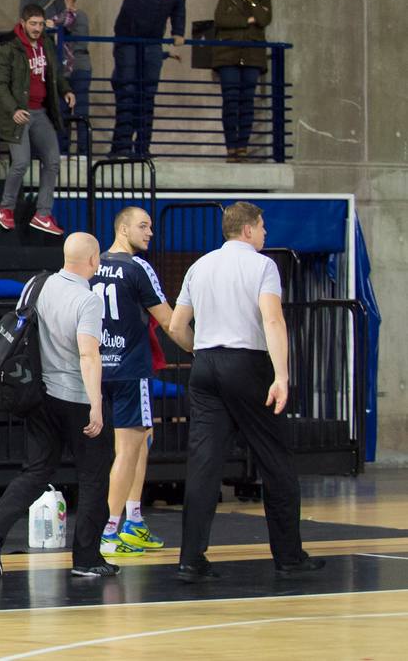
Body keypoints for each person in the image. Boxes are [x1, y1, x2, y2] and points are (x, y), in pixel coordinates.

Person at [167, 202, 321, 583]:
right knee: (275, 461)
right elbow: (272, 318)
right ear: (249, 230)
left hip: (204, 367)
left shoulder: (199, 266)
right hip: (247, 366)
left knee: (203, 465)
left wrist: (197, 350)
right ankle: (288, 557)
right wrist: (281, 375)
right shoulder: (262, 265)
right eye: (263, 227)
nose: (266, 234)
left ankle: (190, 560)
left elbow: (175, 325)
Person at [0, 233, 115, 579]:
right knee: (94, 476)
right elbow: (88, 354)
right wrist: (96, 404)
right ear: (94, 259)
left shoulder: (37, 284)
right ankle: (86, 558)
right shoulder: (88, 300)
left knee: (36, 470)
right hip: (76, 398)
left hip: (38, 394)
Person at [91, 207, 175, 560]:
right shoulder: (137, 267)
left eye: (151, 226)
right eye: (143, 226)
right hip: (129, 367)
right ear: (122, 228)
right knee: (128, 449)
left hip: (96, 367)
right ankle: (111, 529)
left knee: (141, 441)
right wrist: (201, 347)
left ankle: (133, 520)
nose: (150, 232)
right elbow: (168, 320)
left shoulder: (92, 265)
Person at [0, 4, 74, 236]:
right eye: (33, 24)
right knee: (20, 162)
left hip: (40, 112)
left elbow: (56, 74)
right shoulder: (10, 48)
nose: (37, 28)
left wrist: (66, 90)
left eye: (40, 24)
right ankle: (6, 208)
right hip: (18, 113)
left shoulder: (47, 43)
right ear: (23, 23)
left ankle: (43, 213)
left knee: (52, 160)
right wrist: (13, 109)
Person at [110, 0, 187, 160]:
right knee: (127, 92)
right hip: (128, 40)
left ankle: (142, 148)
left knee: (147, 95)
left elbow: (179, 8)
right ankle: (121, 148)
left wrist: (178, 32)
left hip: (153, 43)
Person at [212, 0, 273, 162]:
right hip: (228, 55)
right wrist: (247, 20)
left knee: (247, 102)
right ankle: (231, 147)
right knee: (230, 101)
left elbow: (264, 19)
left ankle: (242, 148)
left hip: (252, 56)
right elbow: (220, 20)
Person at [57, 0, 94, 155]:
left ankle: (82, 151)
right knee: (63, 110)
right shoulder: (67, 15)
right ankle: (63, 149)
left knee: (79, 110)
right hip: (67, 67)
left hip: (77, 67)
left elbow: (62, 22)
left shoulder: (76, 15)